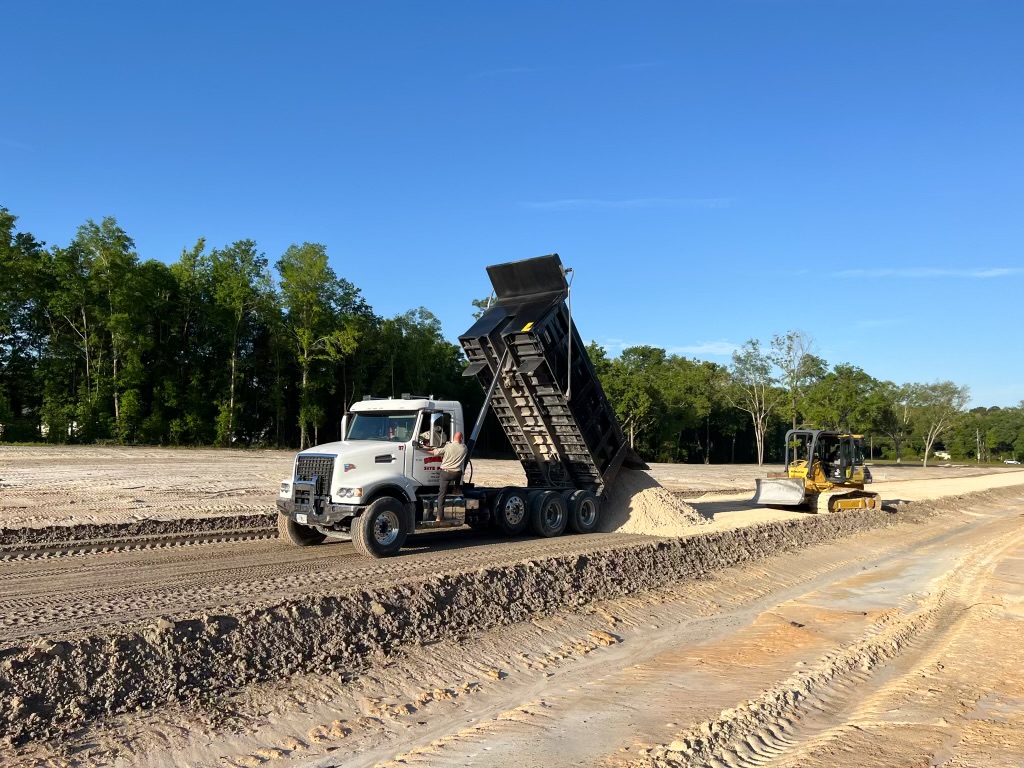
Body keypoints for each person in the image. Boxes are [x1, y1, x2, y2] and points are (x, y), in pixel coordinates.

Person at [431, 431, 467, 521]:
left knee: (442, 495)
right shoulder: (464, 448)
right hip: (456, 475)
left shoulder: (447, 446)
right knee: (460, 471)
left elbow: (434, 452)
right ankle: (456, 489)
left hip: (445, 474)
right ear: (461, 439)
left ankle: (440, 516)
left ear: (453, 438)